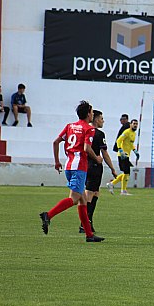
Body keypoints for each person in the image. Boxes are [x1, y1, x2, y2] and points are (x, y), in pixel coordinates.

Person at [39, 100, 105, 242]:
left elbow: (56, 142)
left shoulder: (70, 126)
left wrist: (57, 161)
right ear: (88, 114)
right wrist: (97, 158)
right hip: (79, 167)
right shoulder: (89, 129)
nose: (93, 114)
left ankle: (89, 235)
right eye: (92, 112)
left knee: (82, 201)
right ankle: (48, 215)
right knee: (75, 199)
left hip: (69, 166)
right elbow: (87, 148)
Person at [81, 110, 118, 233]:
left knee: (95, 192)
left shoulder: (83, 130)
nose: (103, 121)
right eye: (101, 118)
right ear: (96, 119)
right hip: (94, 166)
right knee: (90, 193)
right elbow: (104, 153)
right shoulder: (98, 134)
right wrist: (112, 168)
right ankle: (84, 224)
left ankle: (88, 222)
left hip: (84, 164)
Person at [107, 119, 139, 195]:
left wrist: (135, 151)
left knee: (126, 173)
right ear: (130, 124)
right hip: (122, 155)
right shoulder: (126, 132)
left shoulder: (133, 133)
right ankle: (122, 190)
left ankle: (112, 184)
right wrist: (120, 150)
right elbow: (118, 140)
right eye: (134, 123)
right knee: (126, 172)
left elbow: (131, 143)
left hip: (127, 155)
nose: (135, 125)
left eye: (136, 124)